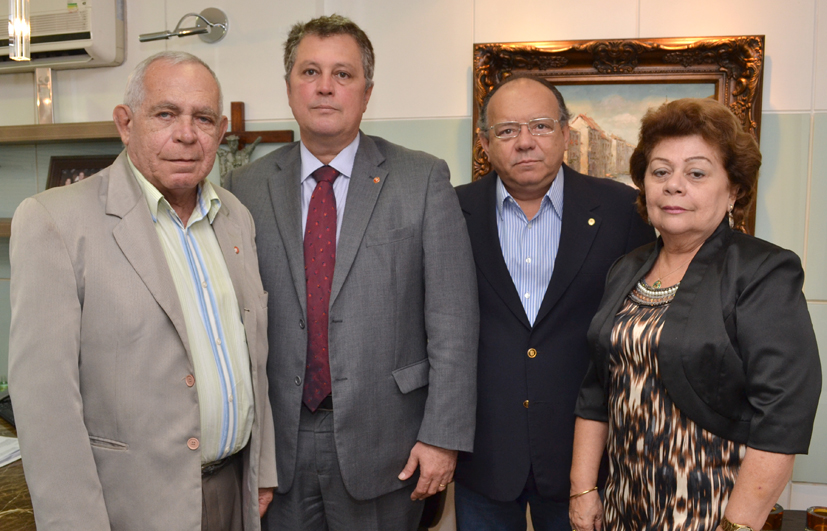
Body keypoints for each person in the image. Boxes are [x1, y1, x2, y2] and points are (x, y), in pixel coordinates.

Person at [224, 14, 478, 531]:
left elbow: (453, 318)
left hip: (388, 440)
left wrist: (442, 437)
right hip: (278, 444)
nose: (325, 86)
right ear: (289, 88)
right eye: (309, 72)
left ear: (367, 92)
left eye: (342, 74)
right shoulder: (244, 187)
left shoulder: (421, 178)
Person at [8, 51, 277, 531]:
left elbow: (254, 359)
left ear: (219, 132)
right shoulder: (55, 222)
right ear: (125, 123)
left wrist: (262, 472)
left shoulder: (235, 216)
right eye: (165, 114)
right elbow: (46, 409)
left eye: (203, 118)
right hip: (130, 508)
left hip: (234, 493)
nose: (186, 134)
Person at [570, 98, 822, 531]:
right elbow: (596, 390)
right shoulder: (626, 269)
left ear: (734, 190)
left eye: (697, 173)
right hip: (622, 508)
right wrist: (582, 490)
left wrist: (736, 526)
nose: (673, 185)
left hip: (711, 511)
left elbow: (783, 416)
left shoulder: (762, 271)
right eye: (660, 172)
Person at [453, 75, 655, 531]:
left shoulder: (623, 210)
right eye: (507, 130)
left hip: (585, 458)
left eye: (541, 126)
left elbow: (638, 333)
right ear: (485, 143)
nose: (525, 142)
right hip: (483, 456)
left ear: (565, 133)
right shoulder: (451, 211)